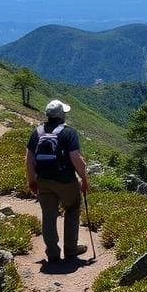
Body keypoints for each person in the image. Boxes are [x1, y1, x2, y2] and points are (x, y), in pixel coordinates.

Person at [25, 99, 89, 263]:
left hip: (44, 180)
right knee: (72, 210)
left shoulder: (37, 132)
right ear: (61, 116)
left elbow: (29, 159)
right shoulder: (69, 133)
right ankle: (71, 249)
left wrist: (32, 180)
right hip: (66, 180)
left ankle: (52, 253)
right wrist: (84, 179)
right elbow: (76, 158)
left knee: (48, 216)